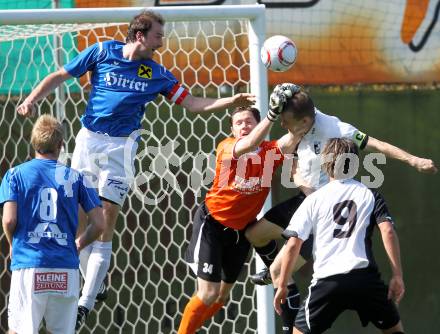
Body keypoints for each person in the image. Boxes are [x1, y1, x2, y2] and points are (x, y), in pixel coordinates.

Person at [16, 10, 255, 329]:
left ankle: (86, 303)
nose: (162, 40)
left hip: (121, 148)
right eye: (158, 34)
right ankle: (94, 281)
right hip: (88, 141)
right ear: (140, 35)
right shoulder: (102, 51)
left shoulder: (157, 73)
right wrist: (32, 99)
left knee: (105, 220)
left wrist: (231, 101)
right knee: (77, 216)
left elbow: (193, 104)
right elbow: (60, 75)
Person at [177, 94, 308, 334]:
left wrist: (297, 104)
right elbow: (247, 146)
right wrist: (270, 114)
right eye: (238, 123)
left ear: (259, 126)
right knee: (207, 293)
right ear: (232, 130)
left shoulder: (270, 151)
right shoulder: (228, 147)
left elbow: (296, 134)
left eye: (249, 121)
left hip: (240, 233)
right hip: (213, 226)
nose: (244, 126)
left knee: (221, 297)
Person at [273, 137, 405, 334]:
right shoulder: (370, 194)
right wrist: (397, 275)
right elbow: (388, 231)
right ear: (355, 164)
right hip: (365, 279)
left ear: (325, 164)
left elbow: (293, 245)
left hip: (327, 282)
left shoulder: (313, 199)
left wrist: (282, 284)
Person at [0, 115, 105, 334]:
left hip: (30, 264)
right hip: (65, 269)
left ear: (33, 142)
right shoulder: (76, 178)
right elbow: (99, 223)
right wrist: (78, 244)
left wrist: (12, 244)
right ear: (61, 145)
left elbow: (9, 219)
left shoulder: (15, 175)